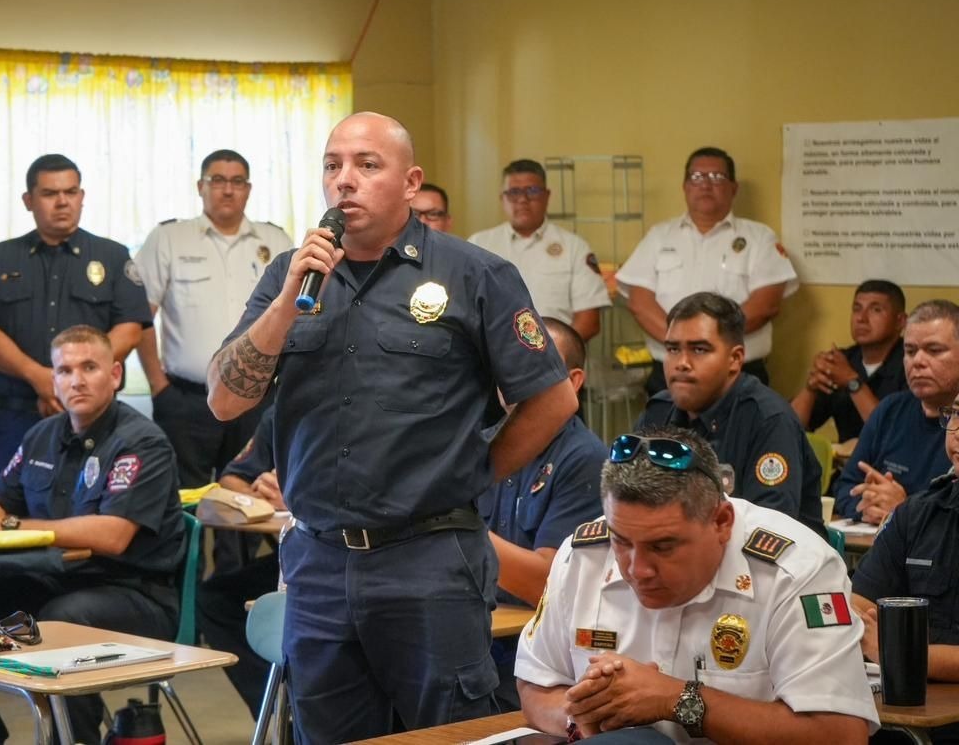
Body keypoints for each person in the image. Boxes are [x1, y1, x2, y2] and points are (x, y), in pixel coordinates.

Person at [207, 111, 579, 743]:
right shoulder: (288, 277)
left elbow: (551, 401)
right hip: (319, 561)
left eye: (366, 165)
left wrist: (475, 471)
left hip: (429, 559)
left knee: (452, 735)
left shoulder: (475, 275)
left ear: (410, 183)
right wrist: (285, 299)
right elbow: (223, 398)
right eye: (333, 165)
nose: (344, 181)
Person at [515, 426, 878, 743]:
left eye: (663, 546)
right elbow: (536, 683)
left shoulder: (797, 570)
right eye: (621, 542)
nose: (638, 570)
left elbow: (839, 734)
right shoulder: (582, 555)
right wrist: (584, 715)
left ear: (721, 522)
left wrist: (676, 699)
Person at [0, 324, 185, 745]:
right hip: (54, 582)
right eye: (65, 370)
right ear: (53, 380)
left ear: (116, 374)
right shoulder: (40, 436)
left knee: (61, 621)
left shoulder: (142, 442)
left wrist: (10, 526)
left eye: (89, 367)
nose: (77, 380)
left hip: (134, 594)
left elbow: (115, 535)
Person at [0, 153, 151, 480]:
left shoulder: (113, 255)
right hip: (19, 414)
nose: (62, 202)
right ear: (28, 200)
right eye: (50, 194)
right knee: (6, 512)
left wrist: (74, 379)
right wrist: (42, 377)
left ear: (82, 197)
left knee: (91, 509)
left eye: (71, 192)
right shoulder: (1, 257)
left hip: (95, 417)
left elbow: (131, 329)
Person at [134, 149, 293, 488]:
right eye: (217, 180)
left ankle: (240, 546)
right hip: (185, 400)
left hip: (257, 398)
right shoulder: (169, 238)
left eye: (237, 181)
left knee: (250, 497)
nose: (227, 190)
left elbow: (295, 314)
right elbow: (141, 318)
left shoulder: (275, 240)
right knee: (183, 498)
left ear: (248, 189)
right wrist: (158, 387)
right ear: (200, 186)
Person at [479, 318, 606, 711]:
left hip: (543, 663)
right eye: (507, 364)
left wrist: (450, 524)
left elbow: (547, 587)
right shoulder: (485, 440)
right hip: (481, 635)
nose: (513, 379)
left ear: (573, 381)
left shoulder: (584, 458)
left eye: (531, 367)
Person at [634, 292, 824, 537]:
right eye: (672, 349)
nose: (682, 362)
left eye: (699, 349)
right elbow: (628, 503)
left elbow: (768, 532)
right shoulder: (657, 413)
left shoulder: (768, 420)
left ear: (735, 359)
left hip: (773, 566)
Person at [616, 146, 799, 395]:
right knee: (669, 435)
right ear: (685, 187)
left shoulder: (759, 237)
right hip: (671, 375)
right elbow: (640, 302)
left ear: (734, 188)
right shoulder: (659, 236)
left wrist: (710, 345)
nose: (705, 185)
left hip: (737, 375)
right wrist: (684, 347)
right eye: (697, 177)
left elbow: (765, 305)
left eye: (716, 177)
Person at [851, 391, 959, 744]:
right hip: (908, 710)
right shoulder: (918, 513)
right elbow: (859, 607)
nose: (956, 430)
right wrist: (885, 651)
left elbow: (878, 646)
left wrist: (898, 655)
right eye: (954, 416)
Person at [833, 299, 959, 523]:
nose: (917, 361)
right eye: (910, 351)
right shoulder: (890, 409)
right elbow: (846, 487)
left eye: (934, 350)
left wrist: (903, 509)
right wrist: (868, 508)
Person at [196, 405, 284, 718]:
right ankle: (275, 710)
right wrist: (261, 494)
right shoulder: (284, 407)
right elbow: (231, 479)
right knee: (215, 599)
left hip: (356, 554)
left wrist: (296, 495)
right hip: (290, 557)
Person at [469, 159, 611, 342]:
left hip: (556, 361)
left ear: (547, 196)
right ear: (502, 198)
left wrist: (551, 355)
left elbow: (589, 320)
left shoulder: (574, 247)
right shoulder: (478, 244)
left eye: (532, 191)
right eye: (514, 192)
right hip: (491, 361)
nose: (522, 200)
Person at [791, 279, 908, 442]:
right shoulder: (842, 361)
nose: (862, 318)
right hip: (847, 465)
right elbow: (789, 429)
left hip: (894, 464)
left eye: (876, 310)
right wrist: (810, 387)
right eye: (857, 309)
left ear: (900, 321)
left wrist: (852, 382)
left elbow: (892, 434)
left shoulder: (914, 363)